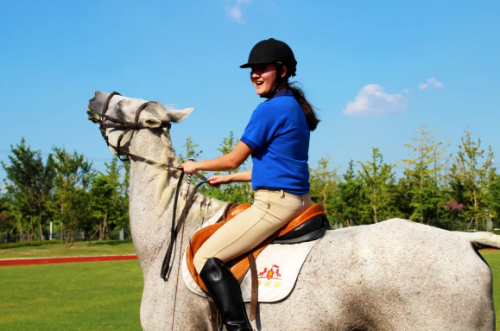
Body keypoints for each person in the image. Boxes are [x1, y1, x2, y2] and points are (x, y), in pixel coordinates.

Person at [181, 38, 320, 331]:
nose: (255, 75)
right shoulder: (293, 107)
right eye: (252, 70)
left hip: (273, 206)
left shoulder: (269, 110)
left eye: (263, 68)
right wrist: (230, 179)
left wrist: (194, 165)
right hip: (298, 201)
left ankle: (237, 328)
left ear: (282, 72)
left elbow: (234, 158)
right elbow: (275, 168)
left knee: (206, 256)